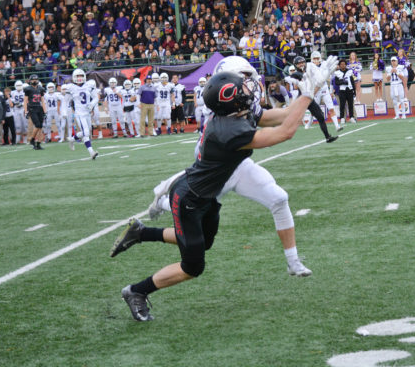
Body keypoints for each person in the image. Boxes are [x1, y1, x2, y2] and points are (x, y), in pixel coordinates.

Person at [110, 68, 321, 322]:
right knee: (192, 267)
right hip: (190, 200)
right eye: (242, 88)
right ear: (230, 99)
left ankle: (142, 232)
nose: (249, 89)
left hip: (206, 195)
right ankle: (135, 291)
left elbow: (285, 115)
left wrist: (311, 90)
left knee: (202, 242)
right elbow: (285, 131)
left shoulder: (233, 114)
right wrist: (307, 96)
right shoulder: (229, 129)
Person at [287, 56, 339, 143]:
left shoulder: (309, 71)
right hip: (302, 98)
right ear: (295, 65)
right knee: (293, 117)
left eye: (302, 62)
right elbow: (296, 86)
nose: (301, 64)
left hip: (309, 98)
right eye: (299, 63)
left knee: (320, 117)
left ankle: (328, 137)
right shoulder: (296, 74)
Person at [64, 69, 99, 159]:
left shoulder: (89, 85)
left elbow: (96, 98)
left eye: (81, 76)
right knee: (86, 133)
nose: (79, 78)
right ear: (74, 77)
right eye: (77, 76)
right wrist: (65, 112)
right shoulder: (71, 87)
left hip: (87, 113)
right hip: (79, 113)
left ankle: (72, 139)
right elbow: (66, 101)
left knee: (85, 132)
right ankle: (91, 152)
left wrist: (92, 105)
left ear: (84, 76)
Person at [23, 74, 47, 150]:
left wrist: (45, 111)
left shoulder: (41, 88)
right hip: (32, 108)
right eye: (33, 80)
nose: (34, 81)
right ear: (30, 80)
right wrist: (26, 111)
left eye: (36, 79)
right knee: (37, 125)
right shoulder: (28, 89)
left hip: (39, 108)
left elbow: (43, 101)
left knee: (40, 127)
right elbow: (25, 101)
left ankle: (38, 144)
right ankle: (32, 139)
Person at [334, 59, 356, 125]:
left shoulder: (349, 71)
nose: (343, 65)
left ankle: (351, 117)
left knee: (350, 104)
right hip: (342, 90)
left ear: (346, 65)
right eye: (341, 64)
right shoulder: (337, 73)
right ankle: (342, 118)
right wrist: (342, 82)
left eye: (344, 64)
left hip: (349, 89)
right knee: (342, 105)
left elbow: (352, 81)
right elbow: (336, 82)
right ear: (339, 65)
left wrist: (354, 90)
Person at [10, 80, 27, 144]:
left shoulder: (24, 92)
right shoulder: (13, 92)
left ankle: (25, 139)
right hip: (16, 109)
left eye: (20, 85)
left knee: (25, 124)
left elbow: (27, 100)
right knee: (17, 125)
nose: (19, 87)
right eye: (17, 86)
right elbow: (10, 100)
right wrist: (15, 102)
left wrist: (22, 104)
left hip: (23, 109)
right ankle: (18, 140)